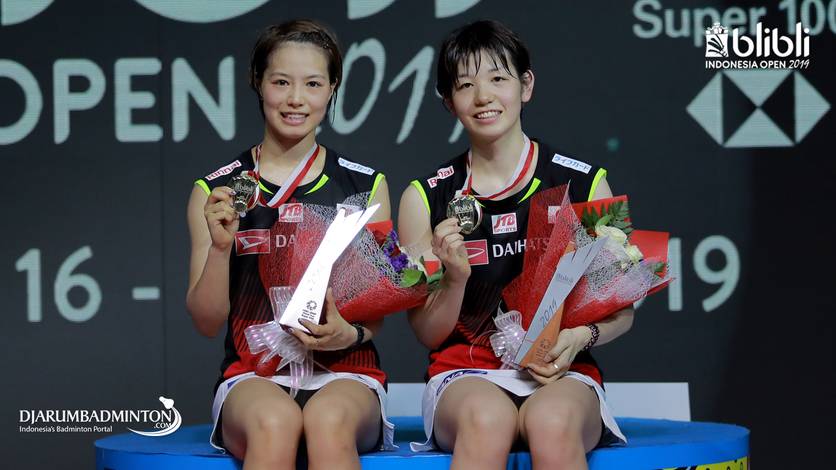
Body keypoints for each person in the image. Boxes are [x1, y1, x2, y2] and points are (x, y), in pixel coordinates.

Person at [398, 20, 632, 470]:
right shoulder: (424, 197)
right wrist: (455, 280)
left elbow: (622, 309)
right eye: (466, 85)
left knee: (552, 421)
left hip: (564, 370)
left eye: (498, 79)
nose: (483, 96)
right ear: (449, 103)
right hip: (463, 371)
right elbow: (427, 332)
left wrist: (579, 337)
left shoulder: (586, 183)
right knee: (488, 419)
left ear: (526, 86)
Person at [186, 19, 393, 470]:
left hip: (346, 371)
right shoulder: (217, 193)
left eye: (313, 84)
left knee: (328, 420)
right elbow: (206, 321)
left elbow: (377, 307)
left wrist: (350, 333)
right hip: (252, 374)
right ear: (258, 83)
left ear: (333, 87)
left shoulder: (365, 186)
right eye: (281, 82)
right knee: (275, 421)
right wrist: (222, 248)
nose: (296, 99)